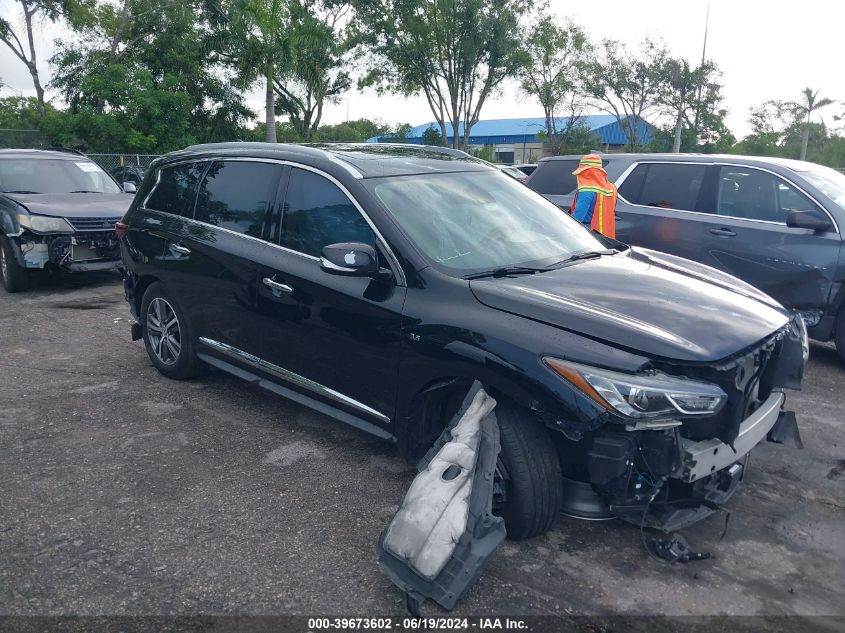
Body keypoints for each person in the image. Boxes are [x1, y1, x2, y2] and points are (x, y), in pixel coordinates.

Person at [569, 154, 617, 239]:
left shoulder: (586, 192)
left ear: (586, 172)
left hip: (587, 234)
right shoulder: (612, 188)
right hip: (606, 234)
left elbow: (577, 218)